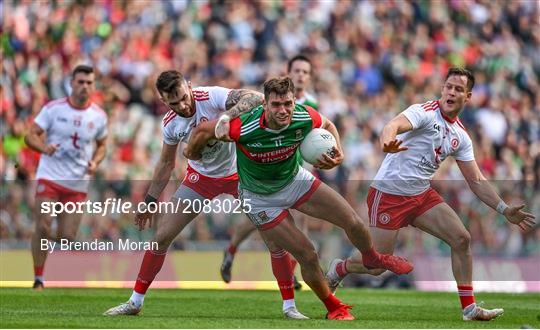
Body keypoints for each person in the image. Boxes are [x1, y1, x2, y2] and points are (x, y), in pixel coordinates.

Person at [185, 76, 414, 320]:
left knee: (354, 221)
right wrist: (193, 153)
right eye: (276, 105)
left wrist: (339, 153)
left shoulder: (304, 116)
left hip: (294, 180)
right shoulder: (244, 127)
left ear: (294, 102)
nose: (283, 110)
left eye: (287, 104)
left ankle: (371, 257)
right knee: (307, 254)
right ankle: (333, 307)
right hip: (259, 197)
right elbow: (202, 130)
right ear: (265, 105)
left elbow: (327, 125)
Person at [324, 68, 536, 321]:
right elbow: (393, 125)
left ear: (467, 97)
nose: (451, 92)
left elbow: (477, 180)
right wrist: (387, 141)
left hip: (421, 195)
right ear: (442, 88)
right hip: (389, 194)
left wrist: (503, 209)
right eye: (448, 86)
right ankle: (340, 268)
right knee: (377, 266)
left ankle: (469, 308)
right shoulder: (424, 113)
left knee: (461, 239)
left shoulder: (460, 136)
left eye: (458, 89)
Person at [103, 70, 308, 319]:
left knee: (274, 240)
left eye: (183, 97)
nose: (182, 105)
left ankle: (289, 306)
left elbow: (255, 98)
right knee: (161, 237)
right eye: (173, 102)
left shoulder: (210, 96)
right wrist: (150, 201)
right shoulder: (170, 124)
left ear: (189, 87)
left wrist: (225, 118)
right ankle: (135, 302)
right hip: (200, 179)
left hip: (240, 175)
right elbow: (166, 163)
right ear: (163, 101)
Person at [220, 55, 318, 288]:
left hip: (294, 168)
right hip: (261, 169)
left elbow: (312, 135)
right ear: (289, 72)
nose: (302, 75)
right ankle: (231, 250)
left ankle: (291, 272)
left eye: (306, 72)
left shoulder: (311, 103)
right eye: (298, 70)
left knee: (300, 222)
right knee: (260, 223)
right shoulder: (267, 99)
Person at [24, 65, 108, 290]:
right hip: (50, 177)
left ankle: (45, 249)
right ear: (71, 83)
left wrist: (96, 162)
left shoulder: (98, 116)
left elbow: (102, 145)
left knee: (67, 237)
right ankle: (38, 279)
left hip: (78, 182)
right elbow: (30, 136)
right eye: (80, 82)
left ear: (93, 85)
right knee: (42, 227)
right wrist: (44, 148)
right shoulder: (53, 109)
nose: (84, 86)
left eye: (89, 83)